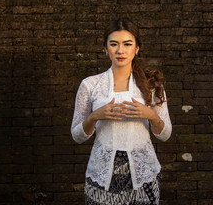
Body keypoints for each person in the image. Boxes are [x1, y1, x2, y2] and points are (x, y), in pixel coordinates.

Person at [71, 17, 172, 205]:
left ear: (137, 48)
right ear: (105, 48)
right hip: (101, 175)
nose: (120, 50)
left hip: (144, 175)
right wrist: (94, 117)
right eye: (114, 44)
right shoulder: (90, 85)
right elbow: (77, 136)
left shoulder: (150, 85)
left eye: (127, 44)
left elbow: (165, 134)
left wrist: (150, 115)